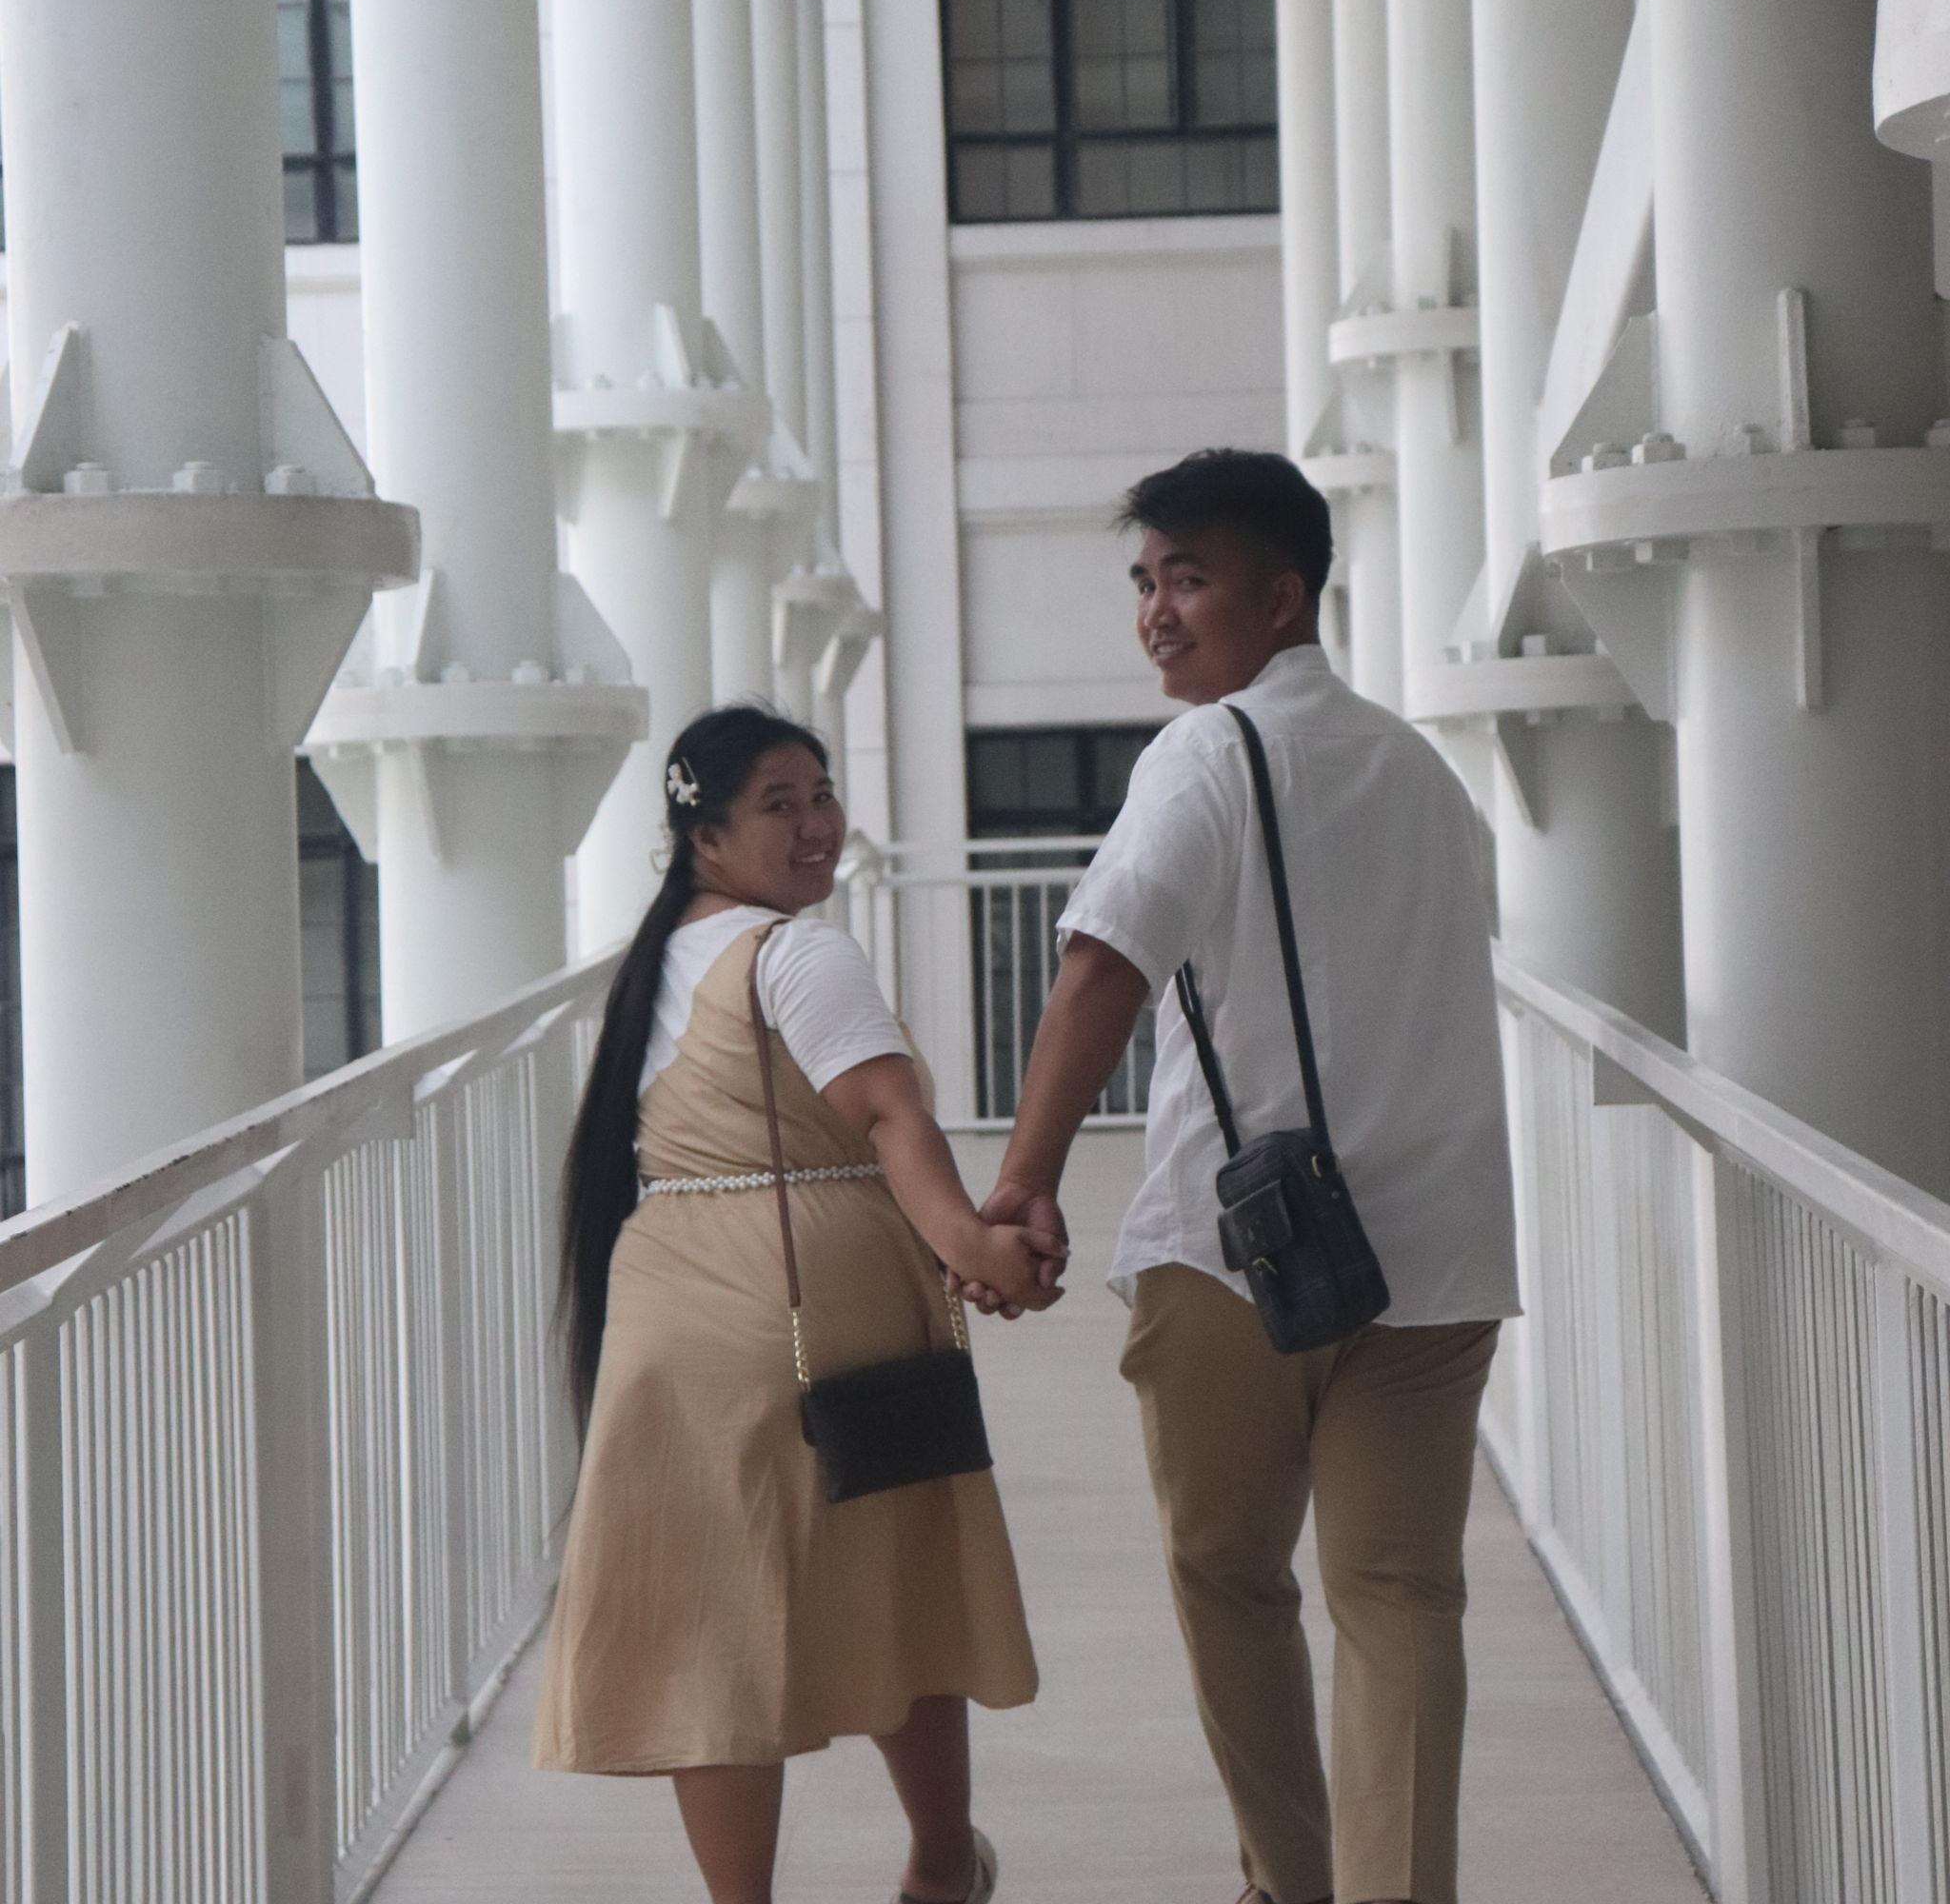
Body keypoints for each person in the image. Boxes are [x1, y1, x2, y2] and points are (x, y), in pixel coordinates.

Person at [970, 450, 1521, 1904]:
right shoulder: (1425, 772)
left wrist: (1023, 1182)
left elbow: (1104, 961)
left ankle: (1290, 1877)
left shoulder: (1210, 752)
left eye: (1189, 579)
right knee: (1402, 1596)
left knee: (1229, 1572)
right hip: (1438, 1256)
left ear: (1282, 599)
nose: (1155, 612)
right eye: (1146, 581)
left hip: (1241, 1253)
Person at [533, 704, 1065, 1904]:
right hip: (826, 1301)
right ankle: (941, 1864)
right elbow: (886, 1113)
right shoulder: (798, 953)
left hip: (667, 1316)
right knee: (898, 1581)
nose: (817, 822)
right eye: (780, 803)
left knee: (706, 1628)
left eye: (821, 792)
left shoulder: (650, 966)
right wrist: (972, 1245)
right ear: (705, 834)